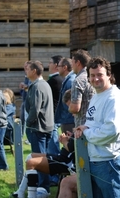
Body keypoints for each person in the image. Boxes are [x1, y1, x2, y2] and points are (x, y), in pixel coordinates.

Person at [58, 57, 120, 198]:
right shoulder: (97, 96)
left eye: (100, 74)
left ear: (109, 75)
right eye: (92, 75)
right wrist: (84, 127)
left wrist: (86, 132)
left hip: (109, 160)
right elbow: (95, 123)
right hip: (97, 160)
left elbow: (111, 131)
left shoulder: (114, 98)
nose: (96, 79)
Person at [24, 60, 54, 198]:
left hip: (38, 128)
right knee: (44, 157)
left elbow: (35, 109)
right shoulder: (45, 84)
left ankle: (43, 188)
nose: (25, 71)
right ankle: (44, 186)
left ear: (34, 71)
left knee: (39, 160)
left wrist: (28, 123)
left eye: (27, 68)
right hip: (47, 126)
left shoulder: (36, 86)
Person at [47, 55, 64, 186]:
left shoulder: (55, 80)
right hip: (55, 117)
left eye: (50, 62)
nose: (49, 65)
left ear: (56, 64)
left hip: (52, 118)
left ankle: (54, 177)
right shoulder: (58, 79)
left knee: (53, 148)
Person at [69, 49, 95, 127]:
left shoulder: (78, 80)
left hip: (82, 126)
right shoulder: (93, 76)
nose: (71, 65)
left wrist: (70, 107)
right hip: (95, 123)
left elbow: (75, 108)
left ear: (78, 63)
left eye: (72, 62)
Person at [55, 58, 76, 134]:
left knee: (70, 144)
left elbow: (72, 102)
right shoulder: (68, 80)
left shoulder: (71, 81)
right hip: (67, 120)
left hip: (69, 121)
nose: (57, 68)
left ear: (65, 67)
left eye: (59, 66)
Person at [19, 61, 32, 144]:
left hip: (28, 102)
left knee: (27, 119)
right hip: (24, 100)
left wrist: (25, 87)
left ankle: (29, 138)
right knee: (22, 119)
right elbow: (23, 92)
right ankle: (21, 136)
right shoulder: (26, 77)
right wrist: (22, 88)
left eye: (26, 67)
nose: (25, 68)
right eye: (24, 67)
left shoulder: (30, 78)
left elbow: (30, 89)